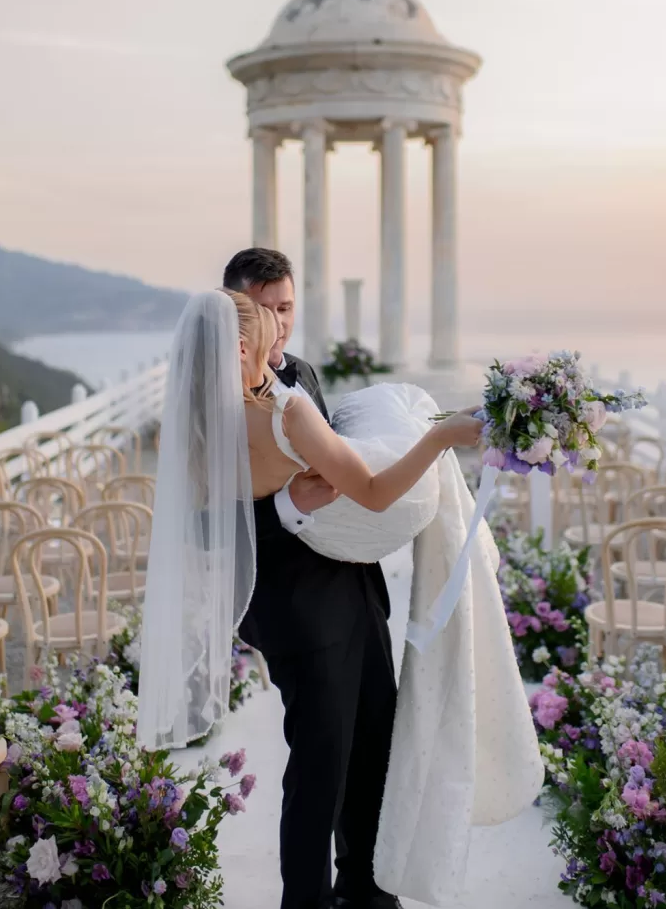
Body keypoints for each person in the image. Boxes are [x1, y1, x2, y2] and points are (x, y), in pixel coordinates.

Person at [138, 283, 483, 909]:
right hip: (308, 614)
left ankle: (366, 893)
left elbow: (211, 520)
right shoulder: (285, 413)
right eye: (270, 331)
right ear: (243, 346)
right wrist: (439, 439)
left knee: (364, 749)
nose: (280, 342)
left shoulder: (190, 426)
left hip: (320, 604)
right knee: (321, 775)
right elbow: (375, 491)